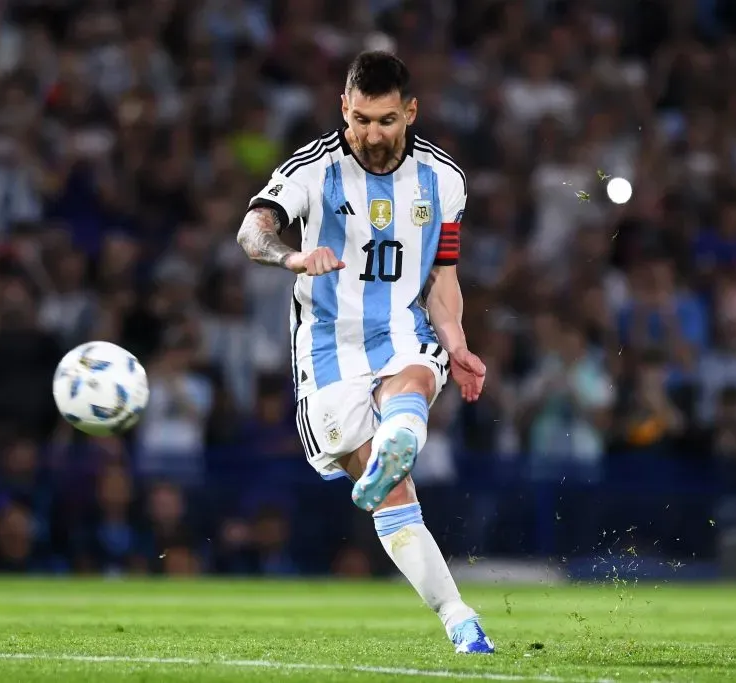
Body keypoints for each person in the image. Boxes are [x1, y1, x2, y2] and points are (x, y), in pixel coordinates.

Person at [236, 51, 494, 655]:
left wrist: (455, 343)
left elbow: (444, 275)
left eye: (384, 121)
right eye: (360, 120)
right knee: (396, 496)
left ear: (410, 112)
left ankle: (463, 622)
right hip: (327, 345)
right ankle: (454, 609)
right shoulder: (314, 169)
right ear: (343, 109)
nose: (371, 135)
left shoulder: (444, 181)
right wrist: (292, 257)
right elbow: (253, 231)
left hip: (402, 328)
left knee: (412, 379)